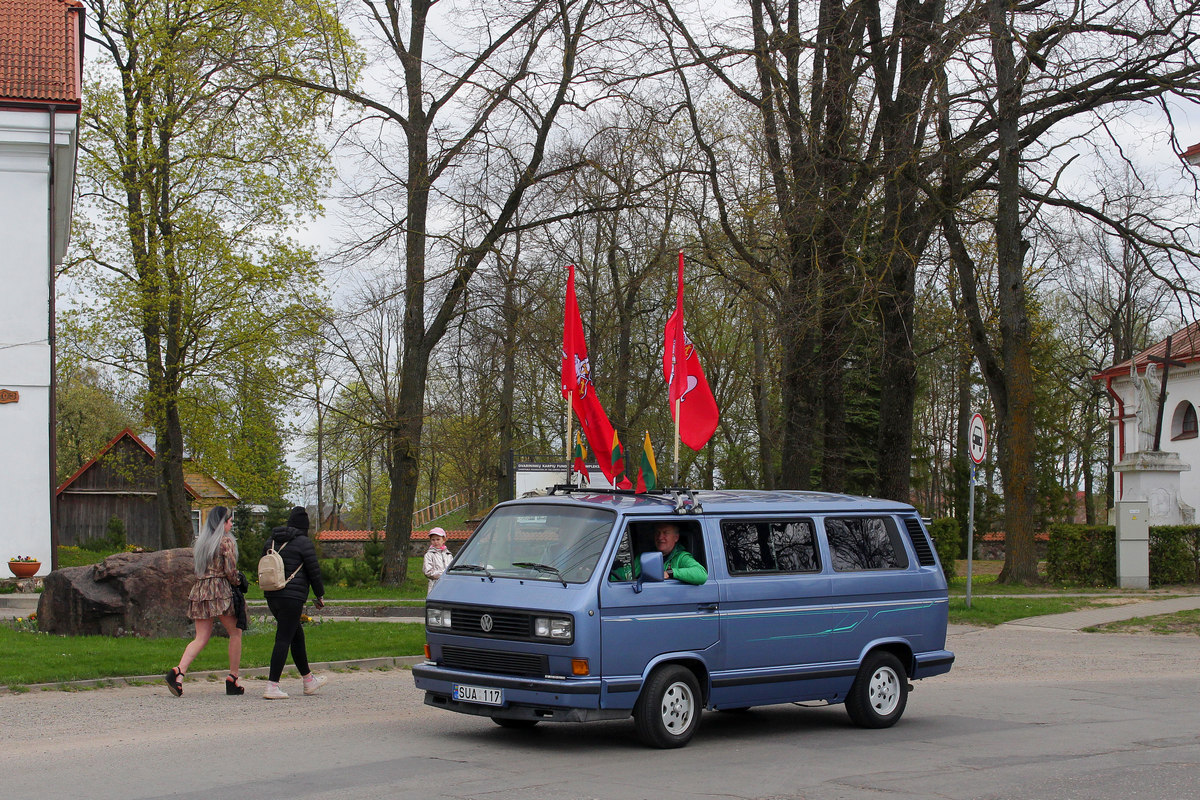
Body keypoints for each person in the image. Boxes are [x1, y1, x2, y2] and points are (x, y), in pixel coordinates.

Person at [166, 505, 245, 697]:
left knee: (200, 637)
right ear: (222, 523)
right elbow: (230, 572)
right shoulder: (225, 542)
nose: (231, 524)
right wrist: (239, 581)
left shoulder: (201, 543)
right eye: (230, 521)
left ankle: (178, 673)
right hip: (220, 591)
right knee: (235, 633)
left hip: (200, 590)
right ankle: (233, 678)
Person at [261, 506, 327, 700]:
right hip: (292, 597)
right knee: (283, 638)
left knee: (295, 635)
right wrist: (319, 594)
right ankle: (272, 685)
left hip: (272, 594)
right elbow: (313, 571)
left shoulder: (270, 540)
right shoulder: (304, 543)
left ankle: (308, 680)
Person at [609, 521, 707, 585]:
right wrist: (607, 577)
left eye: (665, 533)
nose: (660, 537)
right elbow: (626, 573)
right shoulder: (644, 557)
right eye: (657, 533)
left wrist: (671, 573)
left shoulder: (681, 557)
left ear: (676, 538)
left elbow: (702, 574)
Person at [423, 527, 453, 592]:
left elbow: (452, 569)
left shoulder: (448, 555)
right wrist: (443, 574)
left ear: (444, 540)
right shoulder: (429, 555)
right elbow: (427, 572)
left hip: (448, 585)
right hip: (435, 585)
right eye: (433, 540)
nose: (435, 542)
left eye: (438, 539)